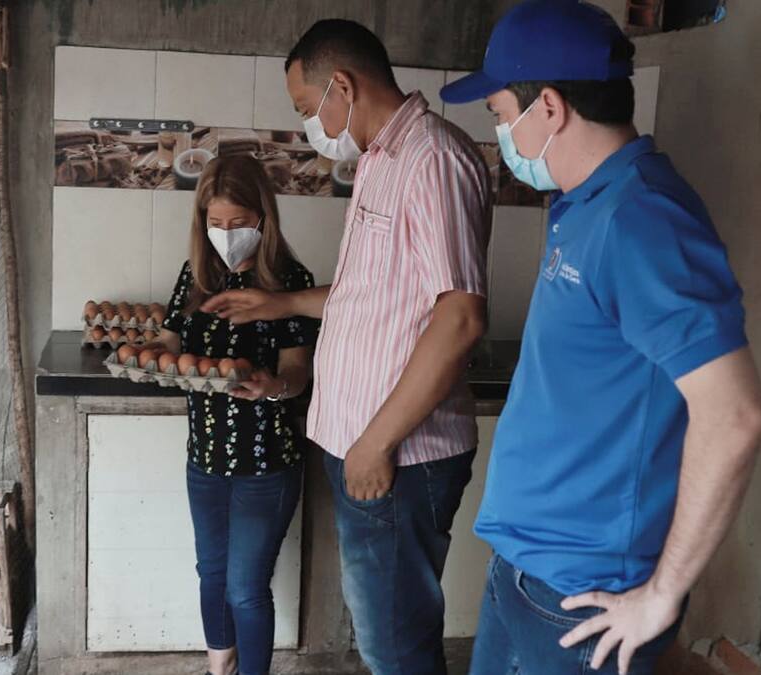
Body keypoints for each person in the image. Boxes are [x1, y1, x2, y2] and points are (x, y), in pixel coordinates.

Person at [438, 2, 761, 674]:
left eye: (500, 113)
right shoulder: (587, 201)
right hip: (526, 570)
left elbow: (735, 415)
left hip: (582, 597)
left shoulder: (643, 218)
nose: (500, 130)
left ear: (549, 107)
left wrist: (662, 596)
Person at [204, 19, 490, 675]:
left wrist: (374, 443)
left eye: (307, 108)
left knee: (396, 644)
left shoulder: (432, 158)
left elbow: (459, 316)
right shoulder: (380, 162)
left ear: (342, 85)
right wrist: (280, 304)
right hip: (363, 446)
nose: (310, 124)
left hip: (399, 454)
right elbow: (374, 295)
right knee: (384, 633)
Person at [152, 154, 319, 675]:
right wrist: (152, 353)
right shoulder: (196, 276)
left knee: (245, 588)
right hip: (204, 458)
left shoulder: (291, 282)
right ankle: (219, 668)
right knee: (211, 574)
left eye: (239, 222)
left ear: (263, 218)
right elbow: (170, 341)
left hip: (265, 463)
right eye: (216, 222)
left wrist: (273, 387)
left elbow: (298, 373)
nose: (226, 234)